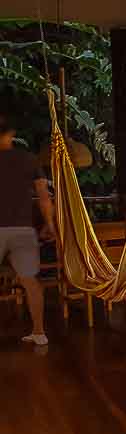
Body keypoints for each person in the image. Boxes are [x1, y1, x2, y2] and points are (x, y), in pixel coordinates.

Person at [0, 112, 55, 346]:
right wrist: (50, 223)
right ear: (12, 134)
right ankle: (39, 332)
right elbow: (44, 197)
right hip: (23, 229)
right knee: (30, 281)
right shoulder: (29, 159)